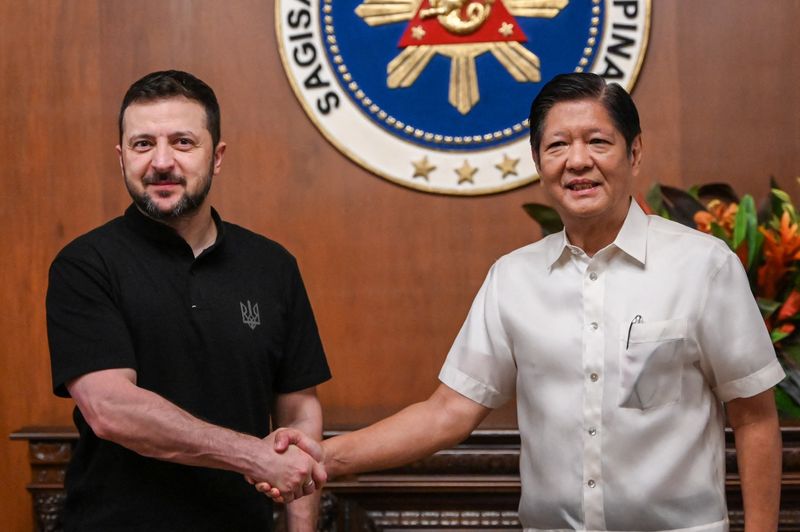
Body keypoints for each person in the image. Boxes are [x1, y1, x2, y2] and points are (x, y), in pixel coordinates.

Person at [262, 73, 784, 531]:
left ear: (635, 151)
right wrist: (324, 456)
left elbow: (755, 416)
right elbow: (448, 412)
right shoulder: (513, 278)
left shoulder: (704, 266)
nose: (578, 161)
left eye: (598, 141)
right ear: (537, 160)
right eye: (557, 146)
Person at [46, 70, 330, 532]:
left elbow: (299, 411)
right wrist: (253, 455)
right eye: (142, 145)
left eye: (182, 142)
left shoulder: (272, 265)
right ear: (121, 157)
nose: (161, 162)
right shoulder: (85, 264)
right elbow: (110, 409)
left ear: (216, 156)